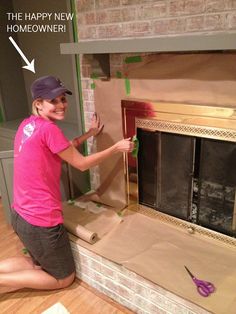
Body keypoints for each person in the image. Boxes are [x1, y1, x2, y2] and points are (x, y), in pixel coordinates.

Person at [0, 75, 134, 293]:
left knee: (36, 265)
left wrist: (90, 133)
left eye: (63, 99)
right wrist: (115, 148)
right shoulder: (49, 129)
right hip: (40, 221)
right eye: (53, 101)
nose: (61, 105)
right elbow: (80, 164)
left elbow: (63, 147)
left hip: (20, 215)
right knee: (63, 278)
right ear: (38, 103)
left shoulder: (29, 125)